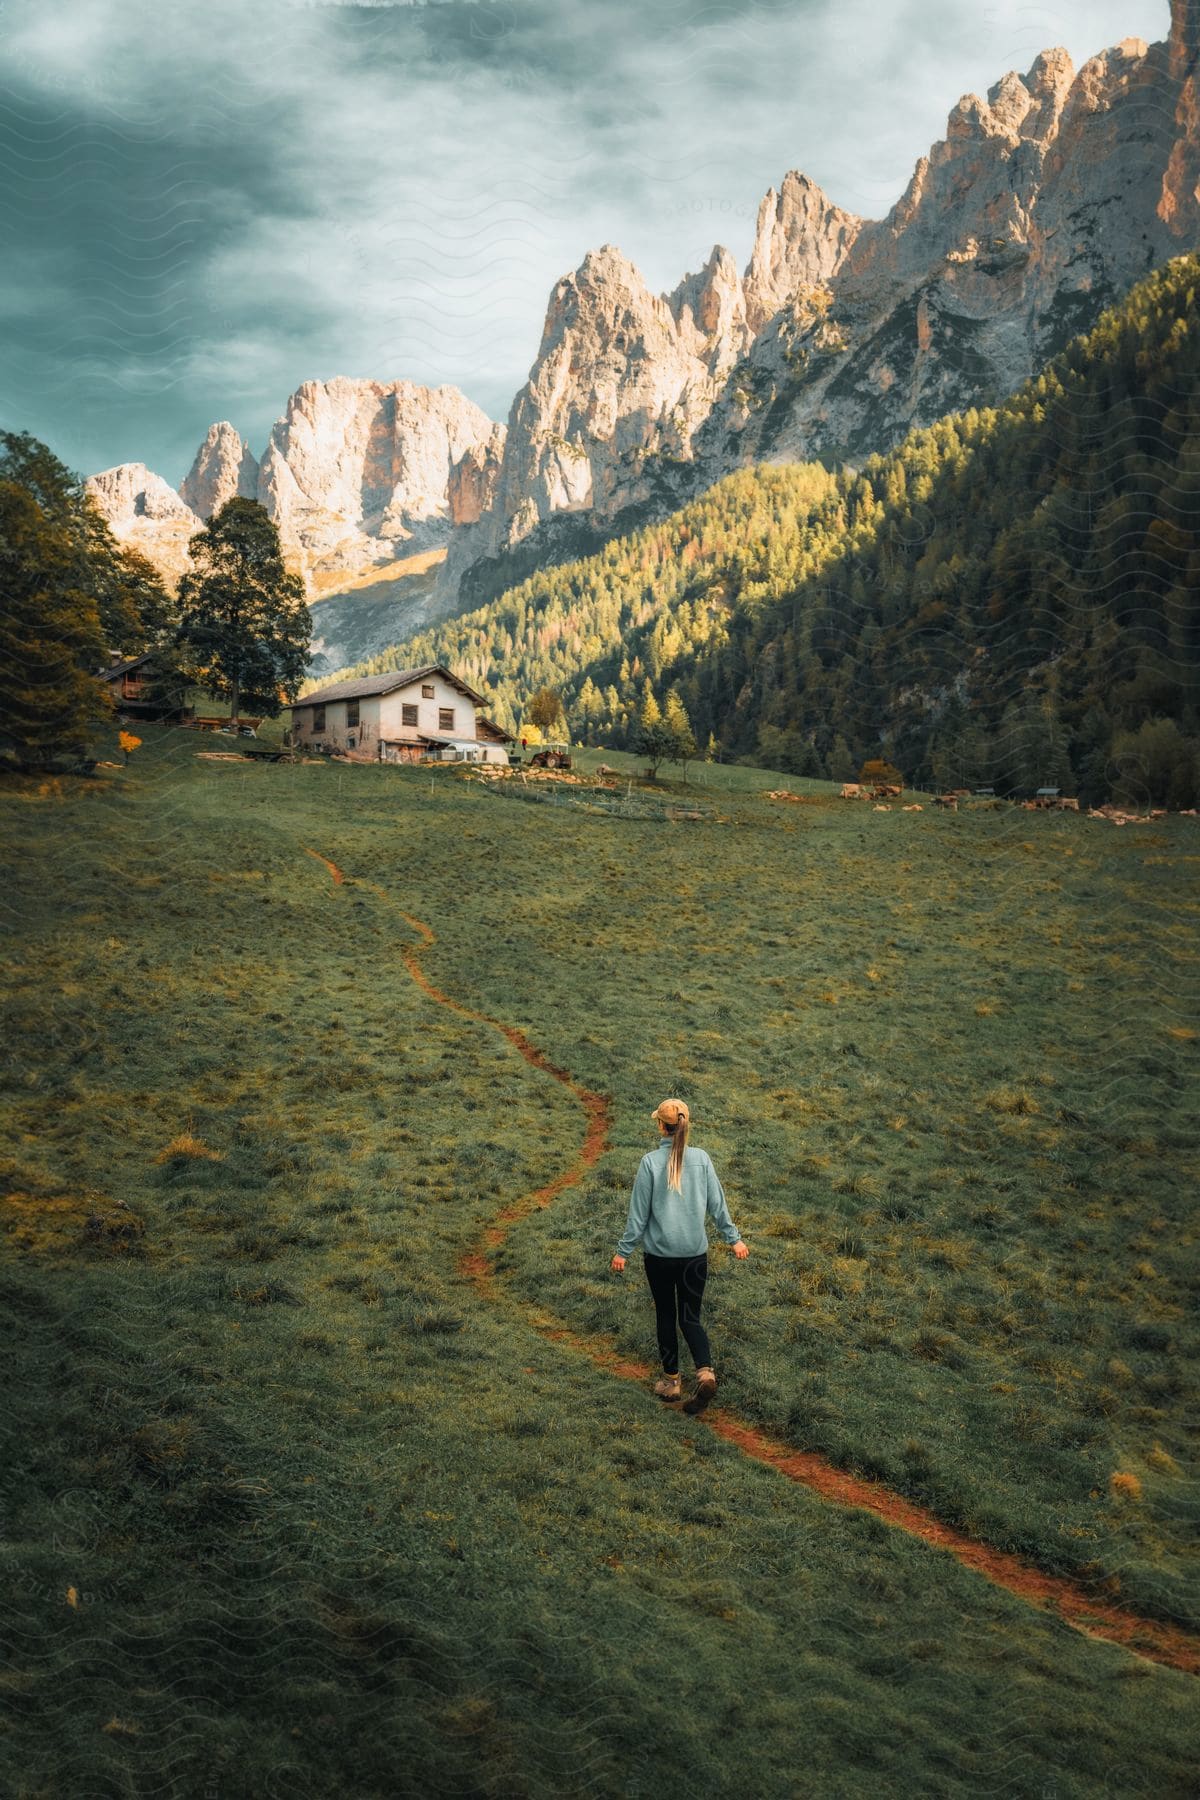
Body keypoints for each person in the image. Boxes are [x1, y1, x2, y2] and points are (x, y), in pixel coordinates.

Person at [611, 1098, 749, 1413]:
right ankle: (705, 1372)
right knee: (691, 1317)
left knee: (665, 1315)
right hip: (695, 1255)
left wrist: (623, 1251)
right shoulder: (702, 1159)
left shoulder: (649, 1162)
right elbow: (718, 1205)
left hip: (659, 1257)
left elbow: (638, 1215)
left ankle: (672, 1383)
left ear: (661, 1125)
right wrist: (734, 1240)